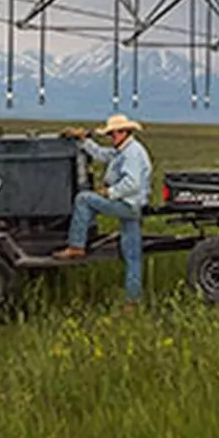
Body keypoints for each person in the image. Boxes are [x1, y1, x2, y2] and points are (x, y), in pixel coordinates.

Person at [53, 113, 154, 303]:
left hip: (127, 203)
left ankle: (76, 245)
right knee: (132, 254)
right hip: (133, 205)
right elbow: (102, 154)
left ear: (125, 132)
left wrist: (109, 193)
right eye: (111, 134)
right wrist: (84, 140)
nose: (111, 137)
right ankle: (133, 300)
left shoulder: (131, 153)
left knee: (83, 199)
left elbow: (132, 183)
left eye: (114, 133)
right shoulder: (125, 149)